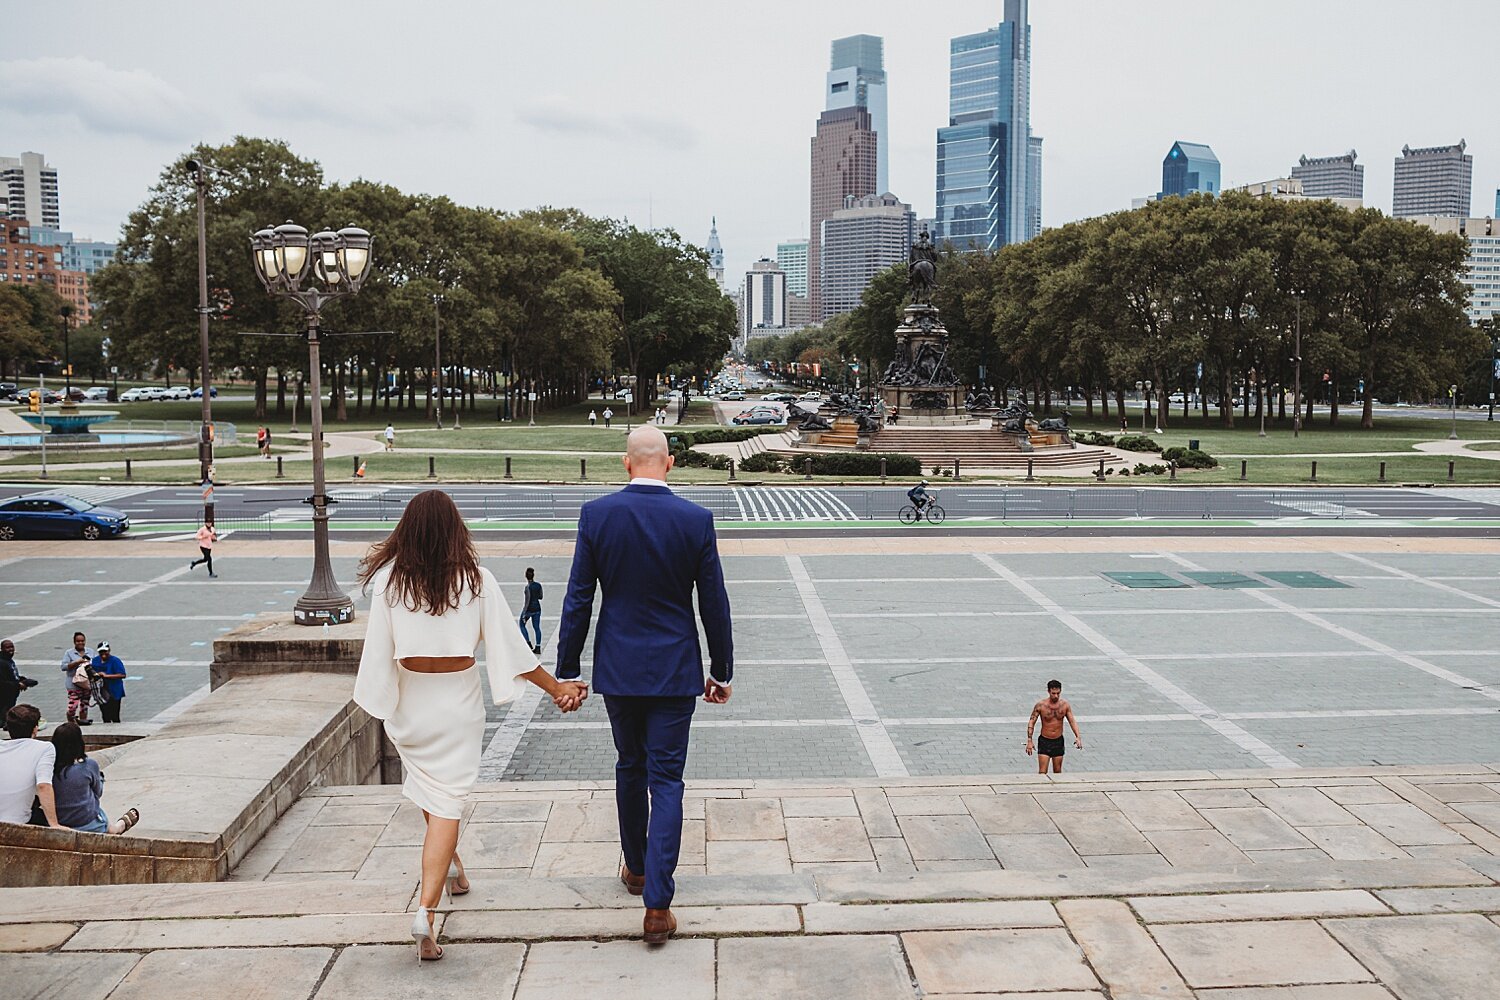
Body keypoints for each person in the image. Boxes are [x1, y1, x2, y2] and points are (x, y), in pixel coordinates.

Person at [355, 490, 587, 962]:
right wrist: (557, 688)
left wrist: (381, 701)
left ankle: (454, 869)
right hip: (458, 704)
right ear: (455, 530)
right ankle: (425, 910)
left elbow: (377, 652)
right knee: (447, 802)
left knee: (435, 794)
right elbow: (513, 649)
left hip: (411, 704)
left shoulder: (388, 585)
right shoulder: (475, 581)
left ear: (409, 531)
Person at [556, 424, 734, 945]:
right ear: (670, 462)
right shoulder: (695, 520)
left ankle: (634, 868)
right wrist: (720, 671)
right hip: (677, 670)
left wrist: (568, 670)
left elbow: (578, 599)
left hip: (619, 669)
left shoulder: (597, 515)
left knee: (629, 765)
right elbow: (714, 604)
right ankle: (658, 904)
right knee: (668, 779)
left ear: (627, 463)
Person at [50, 722, 138, 834]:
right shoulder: (88, 765)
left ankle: (115, 827)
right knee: (108, 825)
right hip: (88, 822)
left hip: (60, 821)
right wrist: (100, 778)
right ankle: (120, 826)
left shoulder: (48, 770)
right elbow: (98, 792)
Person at [0, 705, 62, 829]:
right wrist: (54, 824)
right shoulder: (45, 748)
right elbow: (43, 785)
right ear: (35, 729)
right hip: (18, 821)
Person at [1026, 680, 1083, 774]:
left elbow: (1072, 721)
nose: (1056, 696)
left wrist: (1078, 737)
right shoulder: (1041, 705)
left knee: (1057, 772)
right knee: (1042, 772)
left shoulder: (1064, 705)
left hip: (1058, 741)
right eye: (1053, 693)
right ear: (1048, 692)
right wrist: (1029, 740)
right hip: (1045, 740)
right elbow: (1032, 721)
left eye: (1058, 693)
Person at [61, 632, 92, 726]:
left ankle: (83, 721)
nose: (80, 643)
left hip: (86, 684)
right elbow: (63, 667)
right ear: (74, 642)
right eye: (78, 641)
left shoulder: (90, 651)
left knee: (84, 706)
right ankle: (70, 724)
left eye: (82, 641)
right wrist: (77, 662)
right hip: (73, 684)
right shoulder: (69, 653)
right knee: (72, 707)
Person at [0, 638, 37, 716]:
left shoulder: (8, 660)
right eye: (7, 647)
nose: (11, 649)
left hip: (11, 695)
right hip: (4, 696)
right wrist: (18, 685)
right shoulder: (2, 663)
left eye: (12, 647)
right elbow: (2, 682)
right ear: (2, 649)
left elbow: (11, 676)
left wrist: (24, 680)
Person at [92, 642, 126, 724]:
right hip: (101, 691)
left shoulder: (115, 661)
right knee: (105, 714)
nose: (103, 654)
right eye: (101, 652)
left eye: (105, 651)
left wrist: (107, 676)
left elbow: (122, 674)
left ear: (109, 650)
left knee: (115, 715)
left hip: (114, 691)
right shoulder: (95, 660)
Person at [518, 567, 544, 655]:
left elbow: (527, 601)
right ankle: (538, 646)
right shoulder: (538, 585)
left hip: (529, 610)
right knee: (537, 628)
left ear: (526, 576)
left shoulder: (527, 587)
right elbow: (541, 597)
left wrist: (524, 614)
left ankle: (528, 643)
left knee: (521, 624)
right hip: (537, 608)